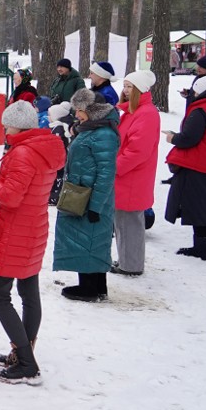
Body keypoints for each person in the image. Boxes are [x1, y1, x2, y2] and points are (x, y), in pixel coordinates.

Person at [0, 100, 66, 385]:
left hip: (14, 232)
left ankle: (26, 362)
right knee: (28, 292)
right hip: (33, 229)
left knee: (0, 296)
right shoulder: (41, 147)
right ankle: (23, 352)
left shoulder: (24, 152)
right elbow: (24, 184)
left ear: (18, 125)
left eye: (7, 123)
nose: (5, 128)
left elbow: (11, 197)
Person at [53, 88, 120, 302]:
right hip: (83, 195)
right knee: (88, 240)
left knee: (89, 240)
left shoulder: (104, 134)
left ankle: (90, 288)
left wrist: (95, 206)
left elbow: (106, 173)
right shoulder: (92, 129)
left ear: (94, 111)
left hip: (91, 198)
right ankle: (96, 286)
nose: (77, 114)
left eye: (80, 110)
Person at [164, 73, 206, 260]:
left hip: (200, 165)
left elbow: (188, 138)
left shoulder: (202, 110)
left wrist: (173, 138)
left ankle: (200, 248)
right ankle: (205, 245)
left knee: (199, 208)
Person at [111, 70, 160, 276]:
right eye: (125, 86)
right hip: (126, 176)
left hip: (131, 177)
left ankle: (131, 265)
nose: (125, 90)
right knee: (123, 222)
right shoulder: (133, 112)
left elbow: (138, 151)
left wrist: (115, 167)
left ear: (140, 89)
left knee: (130, 223)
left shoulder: (146, 114)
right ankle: (127, 260)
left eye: (130, 87)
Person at [46, 101, 73, 205]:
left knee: (58, 177)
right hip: (60, 158)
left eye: (50, 115)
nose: (48, 117)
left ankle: (55, 196)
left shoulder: (59, 128)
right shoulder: (57, 126)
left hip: (59, 159)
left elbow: (56, 145)